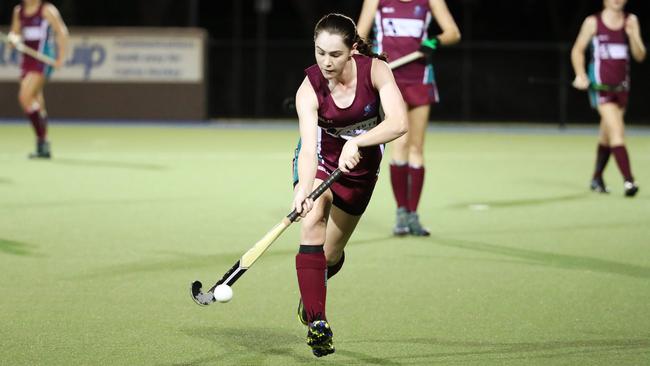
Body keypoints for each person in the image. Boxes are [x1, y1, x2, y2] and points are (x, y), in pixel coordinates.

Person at [291, 13, 407, 357]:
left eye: (335, 55)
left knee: (329, 255)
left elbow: (399, 122)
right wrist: (302, 191)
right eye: (320, 52)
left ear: (352, 50)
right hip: (322, 162)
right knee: (312, 221)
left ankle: (312, 290)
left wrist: (358, 142)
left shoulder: (375, 71)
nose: (326, 62)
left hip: (361, 172)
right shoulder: (308, 89)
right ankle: (317, 322)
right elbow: (308, 148)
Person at [357, 0, 460, 236]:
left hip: (420, 77)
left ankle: (413, 215)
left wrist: (434, 40)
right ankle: (401, 213)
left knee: (416, 148)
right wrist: (370, 60)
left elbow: (453, 33)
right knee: (400, 145)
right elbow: (360, 36)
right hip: (389, 79)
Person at [570, 0, 645, 197]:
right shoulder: (593, 22)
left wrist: (634, 36)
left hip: (622, 89)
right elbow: (577, 50)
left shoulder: (631, 21)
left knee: (607, 134)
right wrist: (580, 74)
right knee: (617, 132)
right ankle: (629, 181)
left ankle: (596, 178)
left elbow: (640, 55)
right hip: (600, 88)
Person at [8, 0, 68, 159]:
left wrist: (61, 58)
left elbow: (61, 31)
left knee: (25, 97)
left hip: (43, 59)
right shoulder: (18, 11)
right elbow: (15, 33)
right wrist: (13, 39)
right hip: (27, 61)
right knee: (35, 100)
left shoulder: (47, 10)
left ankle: (42, 140)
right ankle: (43, 146)